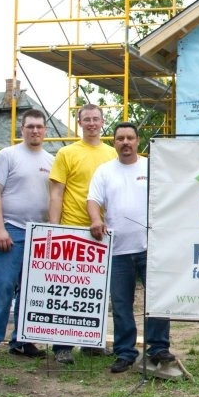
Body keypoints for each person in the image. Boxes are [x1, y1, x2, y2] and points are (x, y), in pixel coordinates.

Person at [87, 122, 175, 373]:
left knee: (157, 300)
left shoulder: (152, 166)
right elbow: (93, 199)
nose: (125, 142)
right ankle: (125, 352)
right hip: (118, 250)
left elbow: (169, 195)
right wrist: (96, 219)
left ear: (138, 141)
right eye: (120, 138)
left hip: (151, 248)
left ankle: (158, 348)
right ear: (113, 142)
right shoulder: (105, 171)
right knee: (122, 303)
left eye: (130, 138)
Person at [0, 110, 53, 364]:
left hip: (40, 234)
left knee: (31, 291)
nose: (35, 131)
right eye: (30, 126)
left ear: (45, 130)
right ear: (22, 128)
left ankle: (22, 340)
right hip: (12, 230)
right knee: (3, 286)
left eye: (39, 127)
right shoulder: (7, 156)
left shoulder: (51, 160)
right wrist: (0, 228)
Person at [48, 104, 117, 364]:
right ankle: (62, 347)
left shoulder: (112, 153)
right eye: (86, 119)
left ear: (102, 122)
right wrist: (54, 229)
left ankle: (92, 342)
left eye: (95, 119)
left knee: (98, 290)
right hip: (73, 227)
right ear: (79, 123)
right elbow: (56, 192)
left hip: (102, 231)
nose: (91, 123)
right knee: (67, 290)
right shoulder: (67, 153)